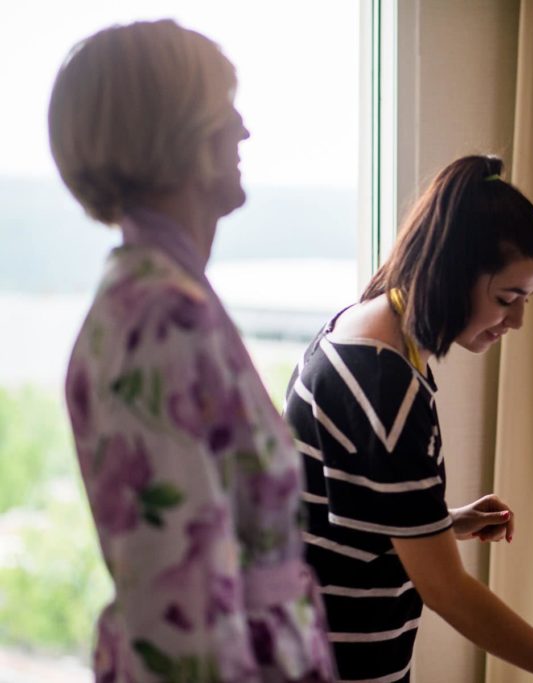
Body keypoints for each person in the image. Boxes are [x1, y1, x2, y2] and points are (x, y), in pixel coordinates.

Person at [284, 155, 533, 683]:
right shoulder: (385, 383)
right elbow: (447, 592)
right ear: (453, 277)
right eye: (507, 298)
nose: (518, 320)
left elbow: (341, 515)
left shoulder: (361, 326)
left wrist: (440, 523)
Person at [52, 20, 334, 682]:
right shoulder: (157, 319)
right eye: (225, 107)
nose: (243, 131)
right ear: (177, 129)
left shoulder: (168, 297)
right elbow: (182, 620)